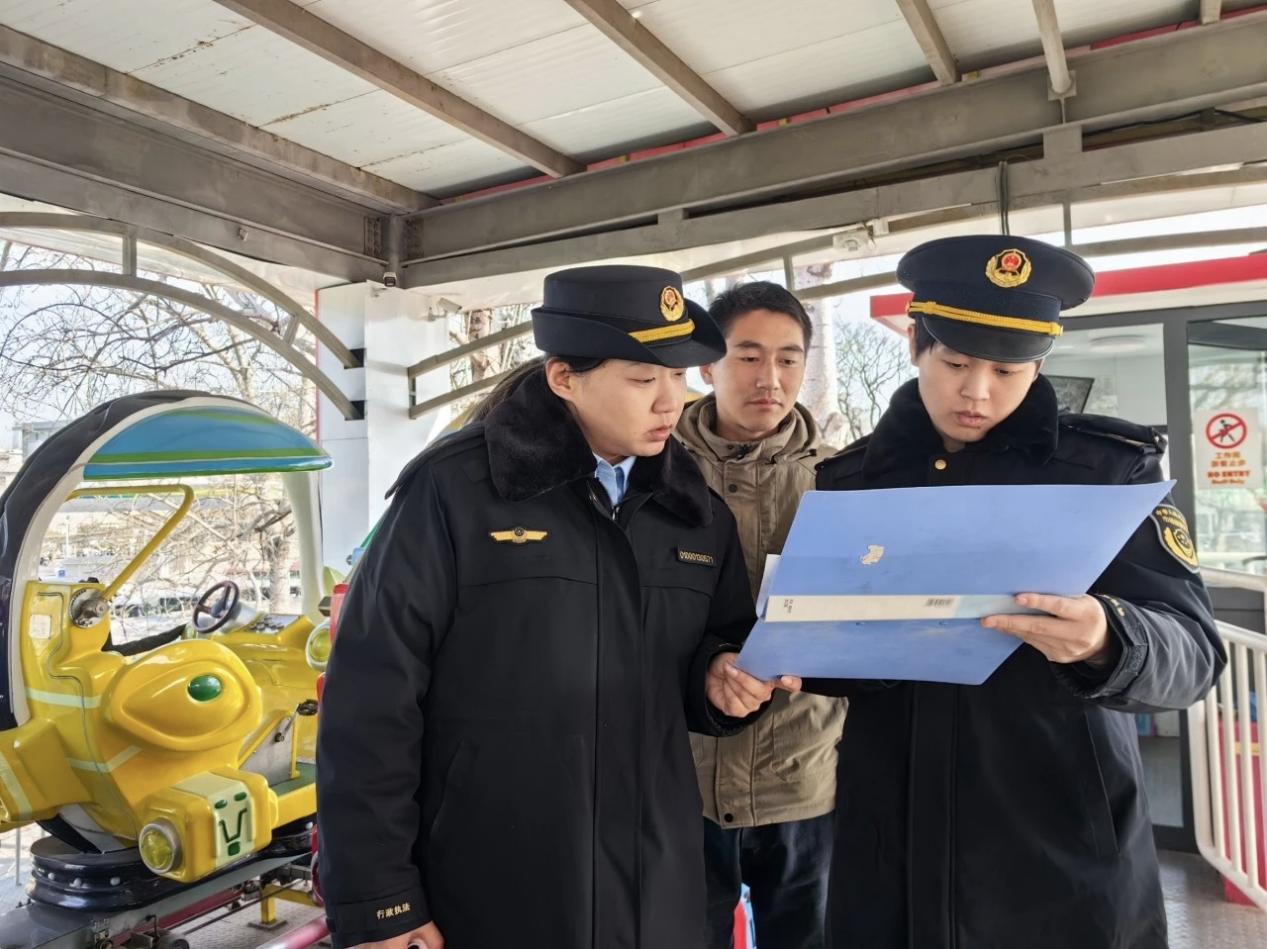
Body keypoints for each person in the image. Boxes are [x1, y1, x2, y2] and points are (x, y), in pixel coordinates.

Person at [316, 265, 797, 949]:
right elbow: (370, 701)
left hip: (658, 888)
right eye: (643, 379)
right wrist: (379, 899)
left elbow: (709, 650)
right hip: (490, 886)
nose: (670, 401)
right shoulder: (455, 493)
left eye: (678, 375)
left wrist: (719, 678)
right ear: (564, 376)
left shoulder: (693, 512)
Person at [807, 235, 1225, 949]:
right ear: (915, 344)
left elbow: (1193, 654)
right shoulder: (853, 481)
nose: (977, 391)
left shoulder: (1105, 475)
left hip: (1061, 853)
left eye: (1006, 370)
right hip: (889, 847)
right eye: (955, 362)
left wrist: (1108, 636)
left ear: (1039, 365)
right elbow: (828, 645)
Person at [676, 282, 843, 949]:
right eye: (747, 356)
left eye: (787, 358)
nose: (769, 378)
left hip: (804, 780)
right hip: (678, 783)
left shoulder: (844, 482)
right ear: (707, 366)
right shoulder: (652, 476)